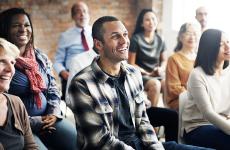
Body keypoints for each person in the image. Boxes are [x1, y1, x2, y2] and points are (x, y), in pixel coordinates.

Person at [69, 15, 212, 150]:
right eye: (115, 36)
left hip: (141, 144)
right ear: (98, 44)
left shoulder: (133, 74)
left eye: (125, 34)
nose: (124, 41)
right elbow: (98, 140)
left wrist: (156, 147)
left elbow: (143, 121)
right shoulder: (82, 84)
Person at [0, 8, 77, 150]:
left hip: (49, 119)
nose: (23, 29)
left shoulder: (39, 56)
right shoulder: (4, 64)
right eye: (16, 25)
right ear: (4, 29)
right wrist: (38, 121)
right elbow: (5, 109)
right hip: (21, 125)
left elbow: (53, 88)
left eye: (27, 25)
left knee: (79, 142)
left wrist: (53, 114)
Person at [182, 29, 230, 149]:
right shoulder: (197, 74)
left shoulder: (228, 72)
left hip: (223, 123)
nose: (227, 46)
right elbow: (208, 113)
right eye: (221, 44)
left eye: (228, 42)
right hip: (198, 127)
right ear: (210, 48)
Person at [0, 38, 38, 149]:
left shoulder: (16, 102)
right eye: (2, 61)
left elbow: (30, 146)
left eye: (12, 63)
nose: (10, 69)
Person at [54, 1, 93, 100]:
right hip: (73, 75)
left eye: (84, 11)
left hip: (93, 73)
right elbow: (58, 61)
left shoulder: (96, 32)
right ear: (73, 16)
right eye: (78, 12)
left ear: (88, 14)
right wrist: (63, 72)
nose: (82, 14)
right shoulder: (65, 36)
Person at [128, 9, 167, 107]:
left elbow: (164, 60)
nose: (151, 22)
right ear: (142, 23)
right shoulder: (135, 39)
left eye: (153, 19)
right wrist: (148, 73)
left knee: (167, 83)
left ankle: (166, 113)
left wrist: (161, 69)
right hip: (141, 75)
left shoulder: (160, 39)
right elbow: (131, 63)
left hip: (156, 73)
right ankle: (151, 117)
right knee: (156, 84)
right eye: (147, 20)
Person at [165, 22, 200, 111]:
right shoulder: (173, 59)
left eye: (195, 34)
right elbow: (174, 88)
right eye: (188, 33)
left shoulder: (201, 59)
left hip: (199, 99)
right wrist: (197, 96)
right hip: (180, 100)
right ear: (181, 37)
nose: (192, 37)